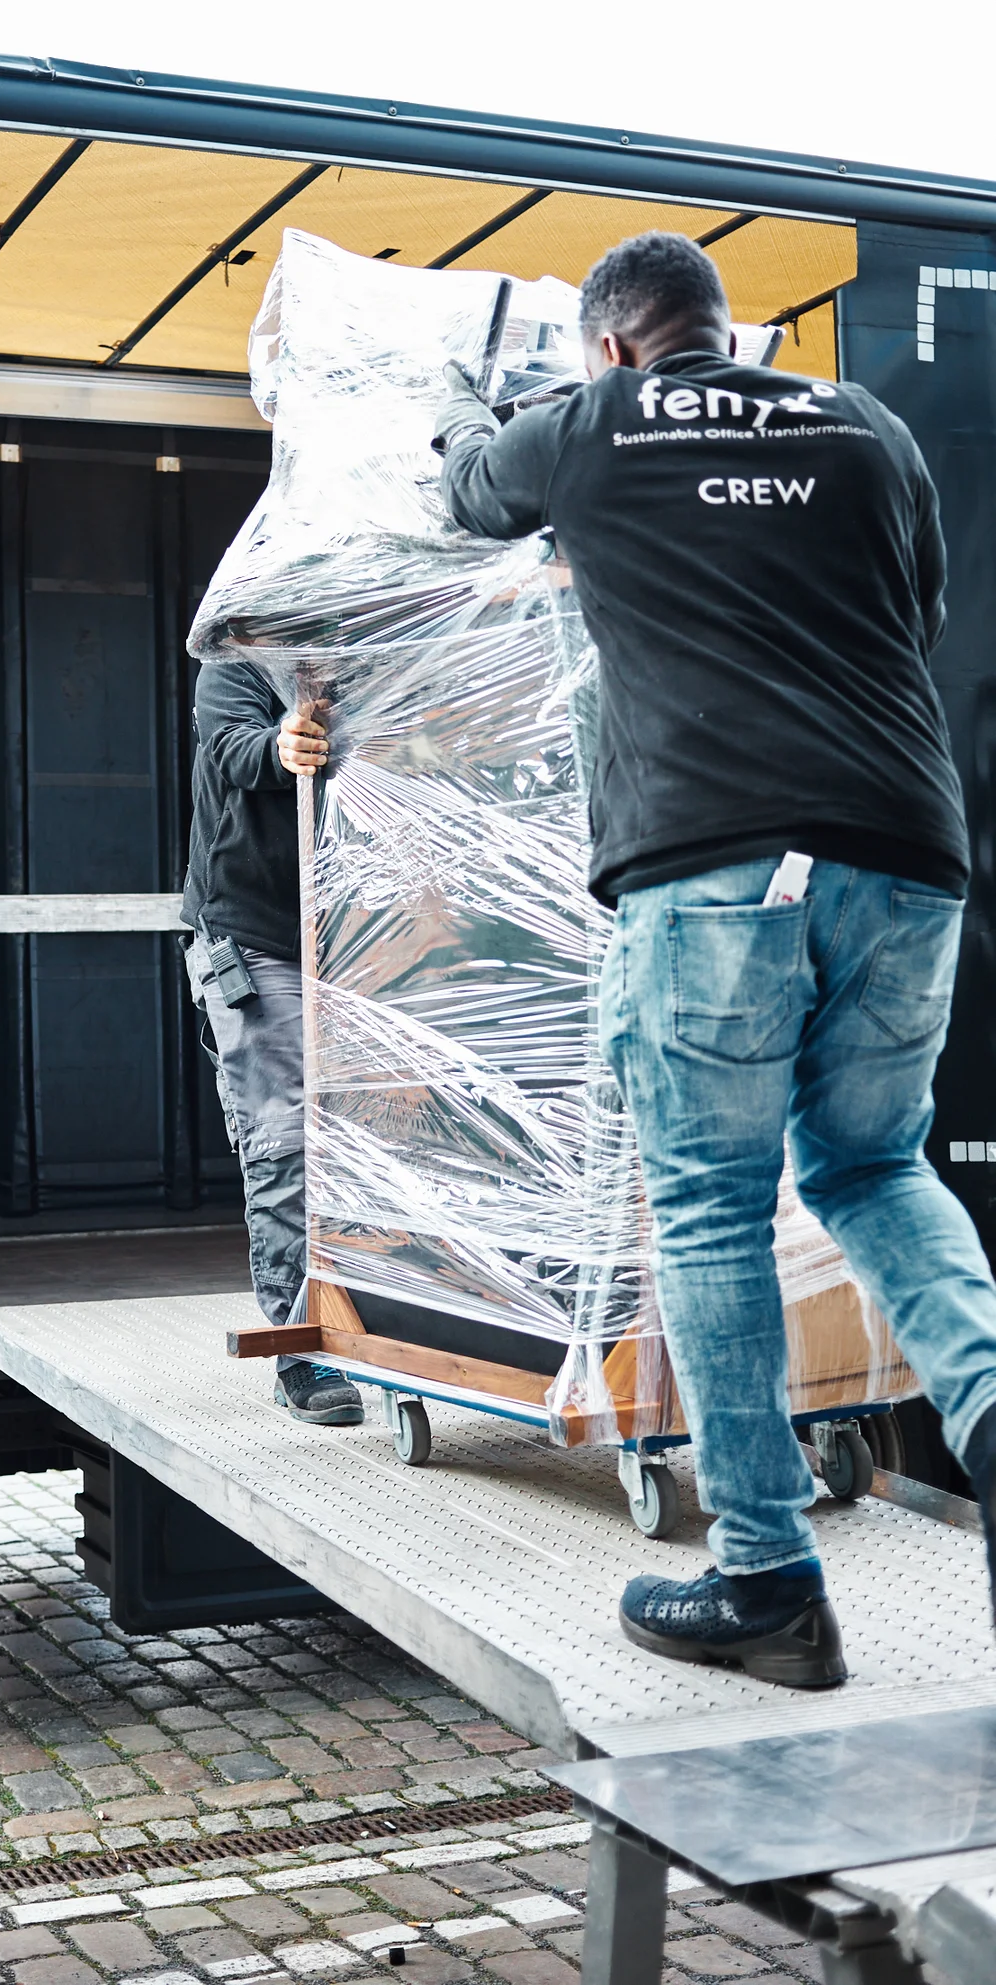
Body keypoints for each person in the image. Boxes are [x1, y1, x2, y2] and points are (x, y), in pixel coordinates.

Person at [434, 229, 996, 1687]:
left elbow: (465, 493)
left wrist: (461, 419)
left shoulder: (588, 426)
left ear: (611, 343)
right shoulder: (861, 423)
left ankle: (767, 1578)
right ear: (723, 328)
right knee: (877, 1169)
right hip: (908, 849)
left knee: (711, 1207)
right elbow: (915, 610)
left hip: (718, 869)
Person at [181, 658, 364, 1426]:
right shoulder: (235, 665)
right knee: (286, 1137)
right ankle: (302, 1354)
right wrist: (283, 745)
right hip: (256, 941)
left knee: (371, 1137)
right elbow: (235, 747)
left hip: (352, 935)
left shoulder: (362, 660)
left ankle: (384, 1326)